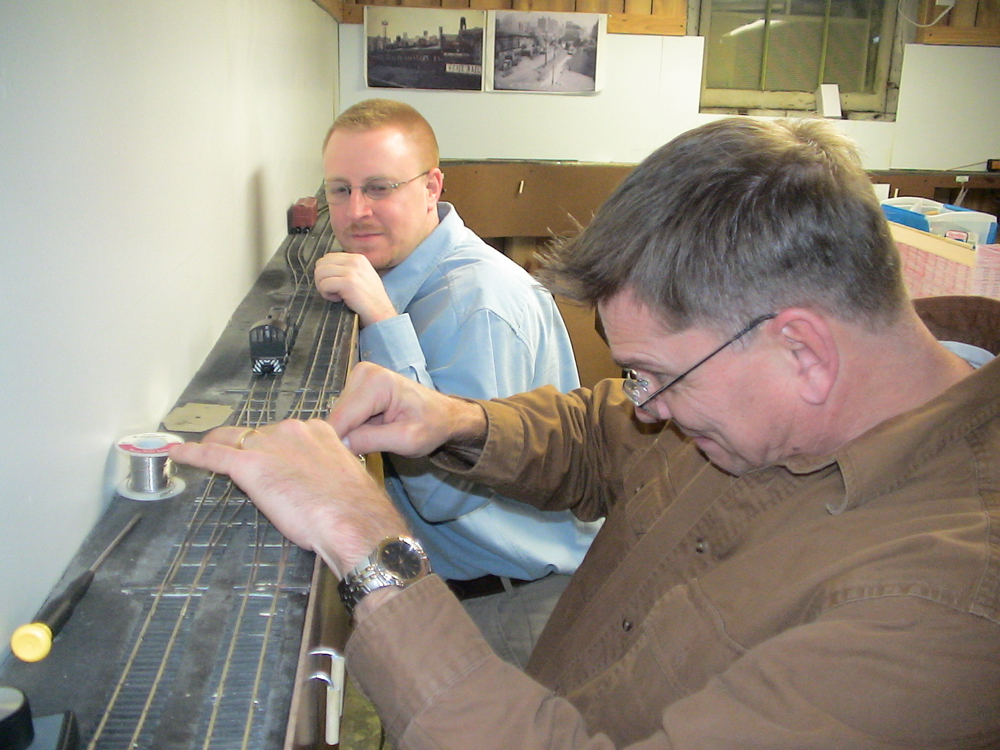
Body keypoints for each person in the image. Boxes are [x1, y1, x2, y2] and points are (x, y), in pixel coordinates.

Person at [171, 117, 1000, 749]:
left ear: (803, 350)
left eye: (654, 376)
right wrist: (451, 417)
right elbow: (609, 437)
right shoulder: (763, 406)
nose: (642, 404)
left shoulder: (945, 610)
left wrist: (365, 539)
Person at [311, 98, 600, 668]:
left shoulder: (476, 304)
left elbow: (445, 493)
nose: (356, 210)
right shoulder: (403, 275)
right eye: (339, 190)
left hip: (512, 606)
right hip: (472, 589)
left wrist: (384, 323)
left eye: (380, 187)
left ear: (430, 187)